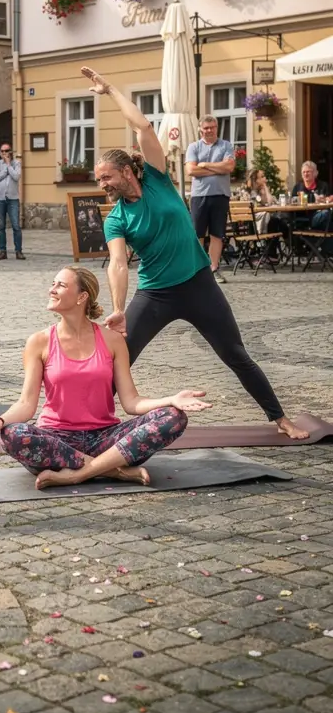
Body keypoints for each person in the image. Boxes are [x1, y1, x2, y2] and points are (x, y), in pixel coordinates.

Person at [82, 64, 308, 441]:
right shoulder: (116, 219)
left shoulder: (155, 177)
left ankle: (280, 419)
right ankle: (87, 428)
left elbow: (143, 128)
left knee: (235, 354)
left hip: (200, 285)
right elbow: (118, 264)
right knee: (118, 359)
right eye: (98, 179)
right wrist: (119, 307)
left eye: (106, 177)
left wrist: (109, 89)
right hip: (154, 294)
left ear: (126, 171)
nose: (102, 184)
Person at [0, 265, 209, 488]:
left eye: (60, 285)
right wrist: (0, 421)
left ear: (81, 297)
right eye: (53, 284)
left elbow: (131, 402)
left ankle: (79, 473)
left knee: (173, 417)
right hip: (57, 442)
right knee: (13, 435)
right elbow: (26, 404)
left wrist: (171, 399)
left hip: (105, 438)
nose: (51, 290)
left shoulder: (112, 340)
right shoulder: (39, 342)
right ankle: (113, 469)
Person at [185, 115, 235, 283]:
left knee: (217, 234)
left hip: (220, 195)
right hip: (199, 195)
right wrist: (218, 169)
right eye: (206, 128)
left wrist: (204, 165)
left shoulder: (226, 145)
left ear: (216, 127)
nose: (209, 130)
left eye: (212, 127)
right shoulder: (194, 147)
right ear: (200, 129)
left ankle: (213, 268)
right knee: (197, 233)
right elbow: (191, 171)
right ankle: (198, 270)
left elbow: (229, 166)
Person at [0, 142, 24, 261]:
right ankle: (2, 251)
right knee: (1, 226)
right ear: (0, 153)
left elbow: (16, 176)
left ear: (11, 152)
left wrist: (9, 165)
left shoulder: (17, 163)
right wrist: (6, 170)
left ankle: (18, 251)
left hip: (12, 199)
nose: (5, 153)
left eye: (7, 150)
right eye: (2, 151)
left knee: (16, 225)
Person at [291, 160, 331, 230]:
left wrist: (324, 199)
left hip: (318, 214)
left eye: (308, 172)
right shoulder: (297, 187)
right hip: (302, 217)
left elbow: (329, 199)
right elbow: (292, 201)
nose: (306, 174)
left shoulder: (323, 186)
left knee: (326, 213)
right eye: (304, 172)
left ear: (316, 173)